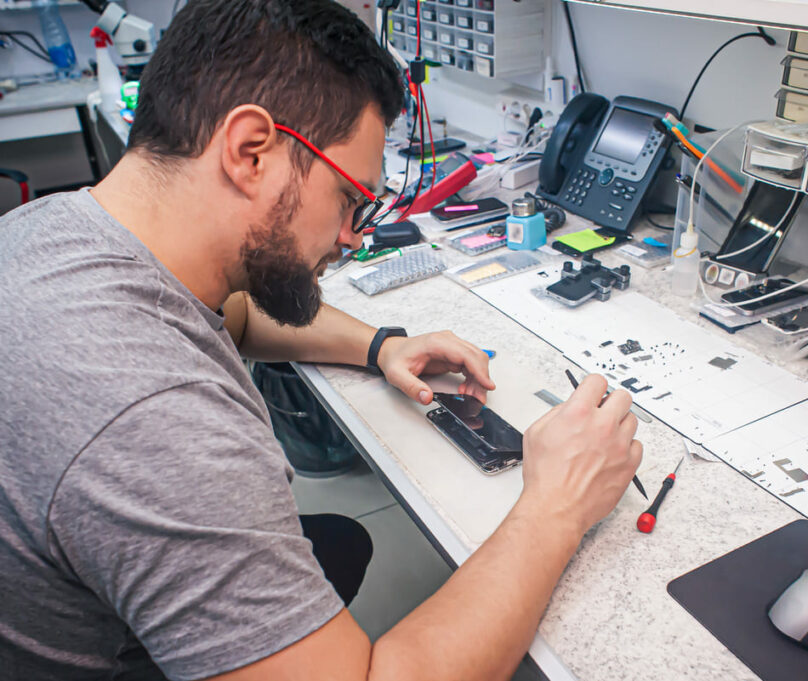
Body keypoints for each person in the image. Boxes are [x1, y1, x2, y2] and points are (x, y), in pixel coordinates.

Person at [0, 1, 642, 679]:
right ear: (250, 151)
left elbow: (230, 317)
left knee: (336, 545)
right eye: (349, 199)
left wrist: (380, 346)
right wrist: (557, 505)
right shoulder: (157, 414)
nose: (355, 238)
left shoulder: (57, 229)